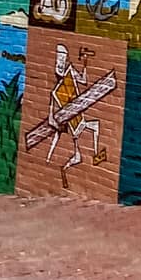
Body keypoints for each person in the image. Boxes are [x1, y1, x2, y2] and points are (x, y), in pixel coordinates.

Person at [47, 43, 105, 185]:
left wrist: (85, 64)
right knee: (79, 150)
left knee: (80, 151)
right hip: (72, 123)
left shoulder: (70, 73)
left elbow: (84, 81)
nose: (59, 64)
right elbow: (50, 116)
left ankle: (65, 166)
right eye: (58, 61)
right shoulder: (56, 91)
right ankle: (63, 164)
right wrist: (56, 121)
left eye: (62, 60)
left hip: (76, 120)